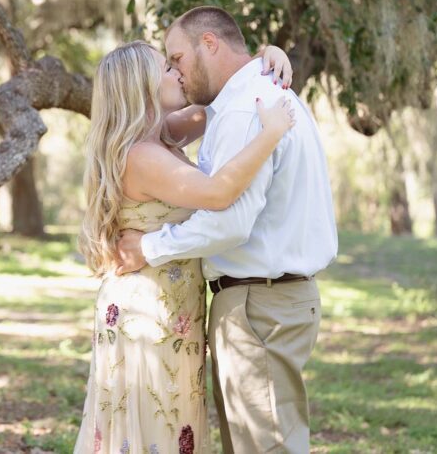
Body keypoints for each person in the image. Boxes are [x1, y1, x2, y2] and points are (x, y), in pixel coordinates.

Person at [116, 7, 338, 454]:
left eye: (177, 58)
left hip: (259, 304)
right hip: (268, 299)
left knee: (266, 447)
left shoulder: (244, 109)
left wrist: (149, 247)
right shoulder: (257, 95)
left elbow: (229, 221)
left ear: (210, 44)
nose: (175, 71)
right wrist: (265, 53)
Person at [74, 40, 295, 454]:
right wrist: (271, 134)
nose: (178, 73)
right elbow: (217, 193)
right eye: (167, 68)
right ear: (143, 86)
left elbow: (219, 99)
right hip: (149, 314)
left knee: (170, 422)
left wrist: (265, 55)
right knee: (156, 427)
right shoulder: (142, 156)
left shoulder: (162, 135)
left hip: (170, 309)